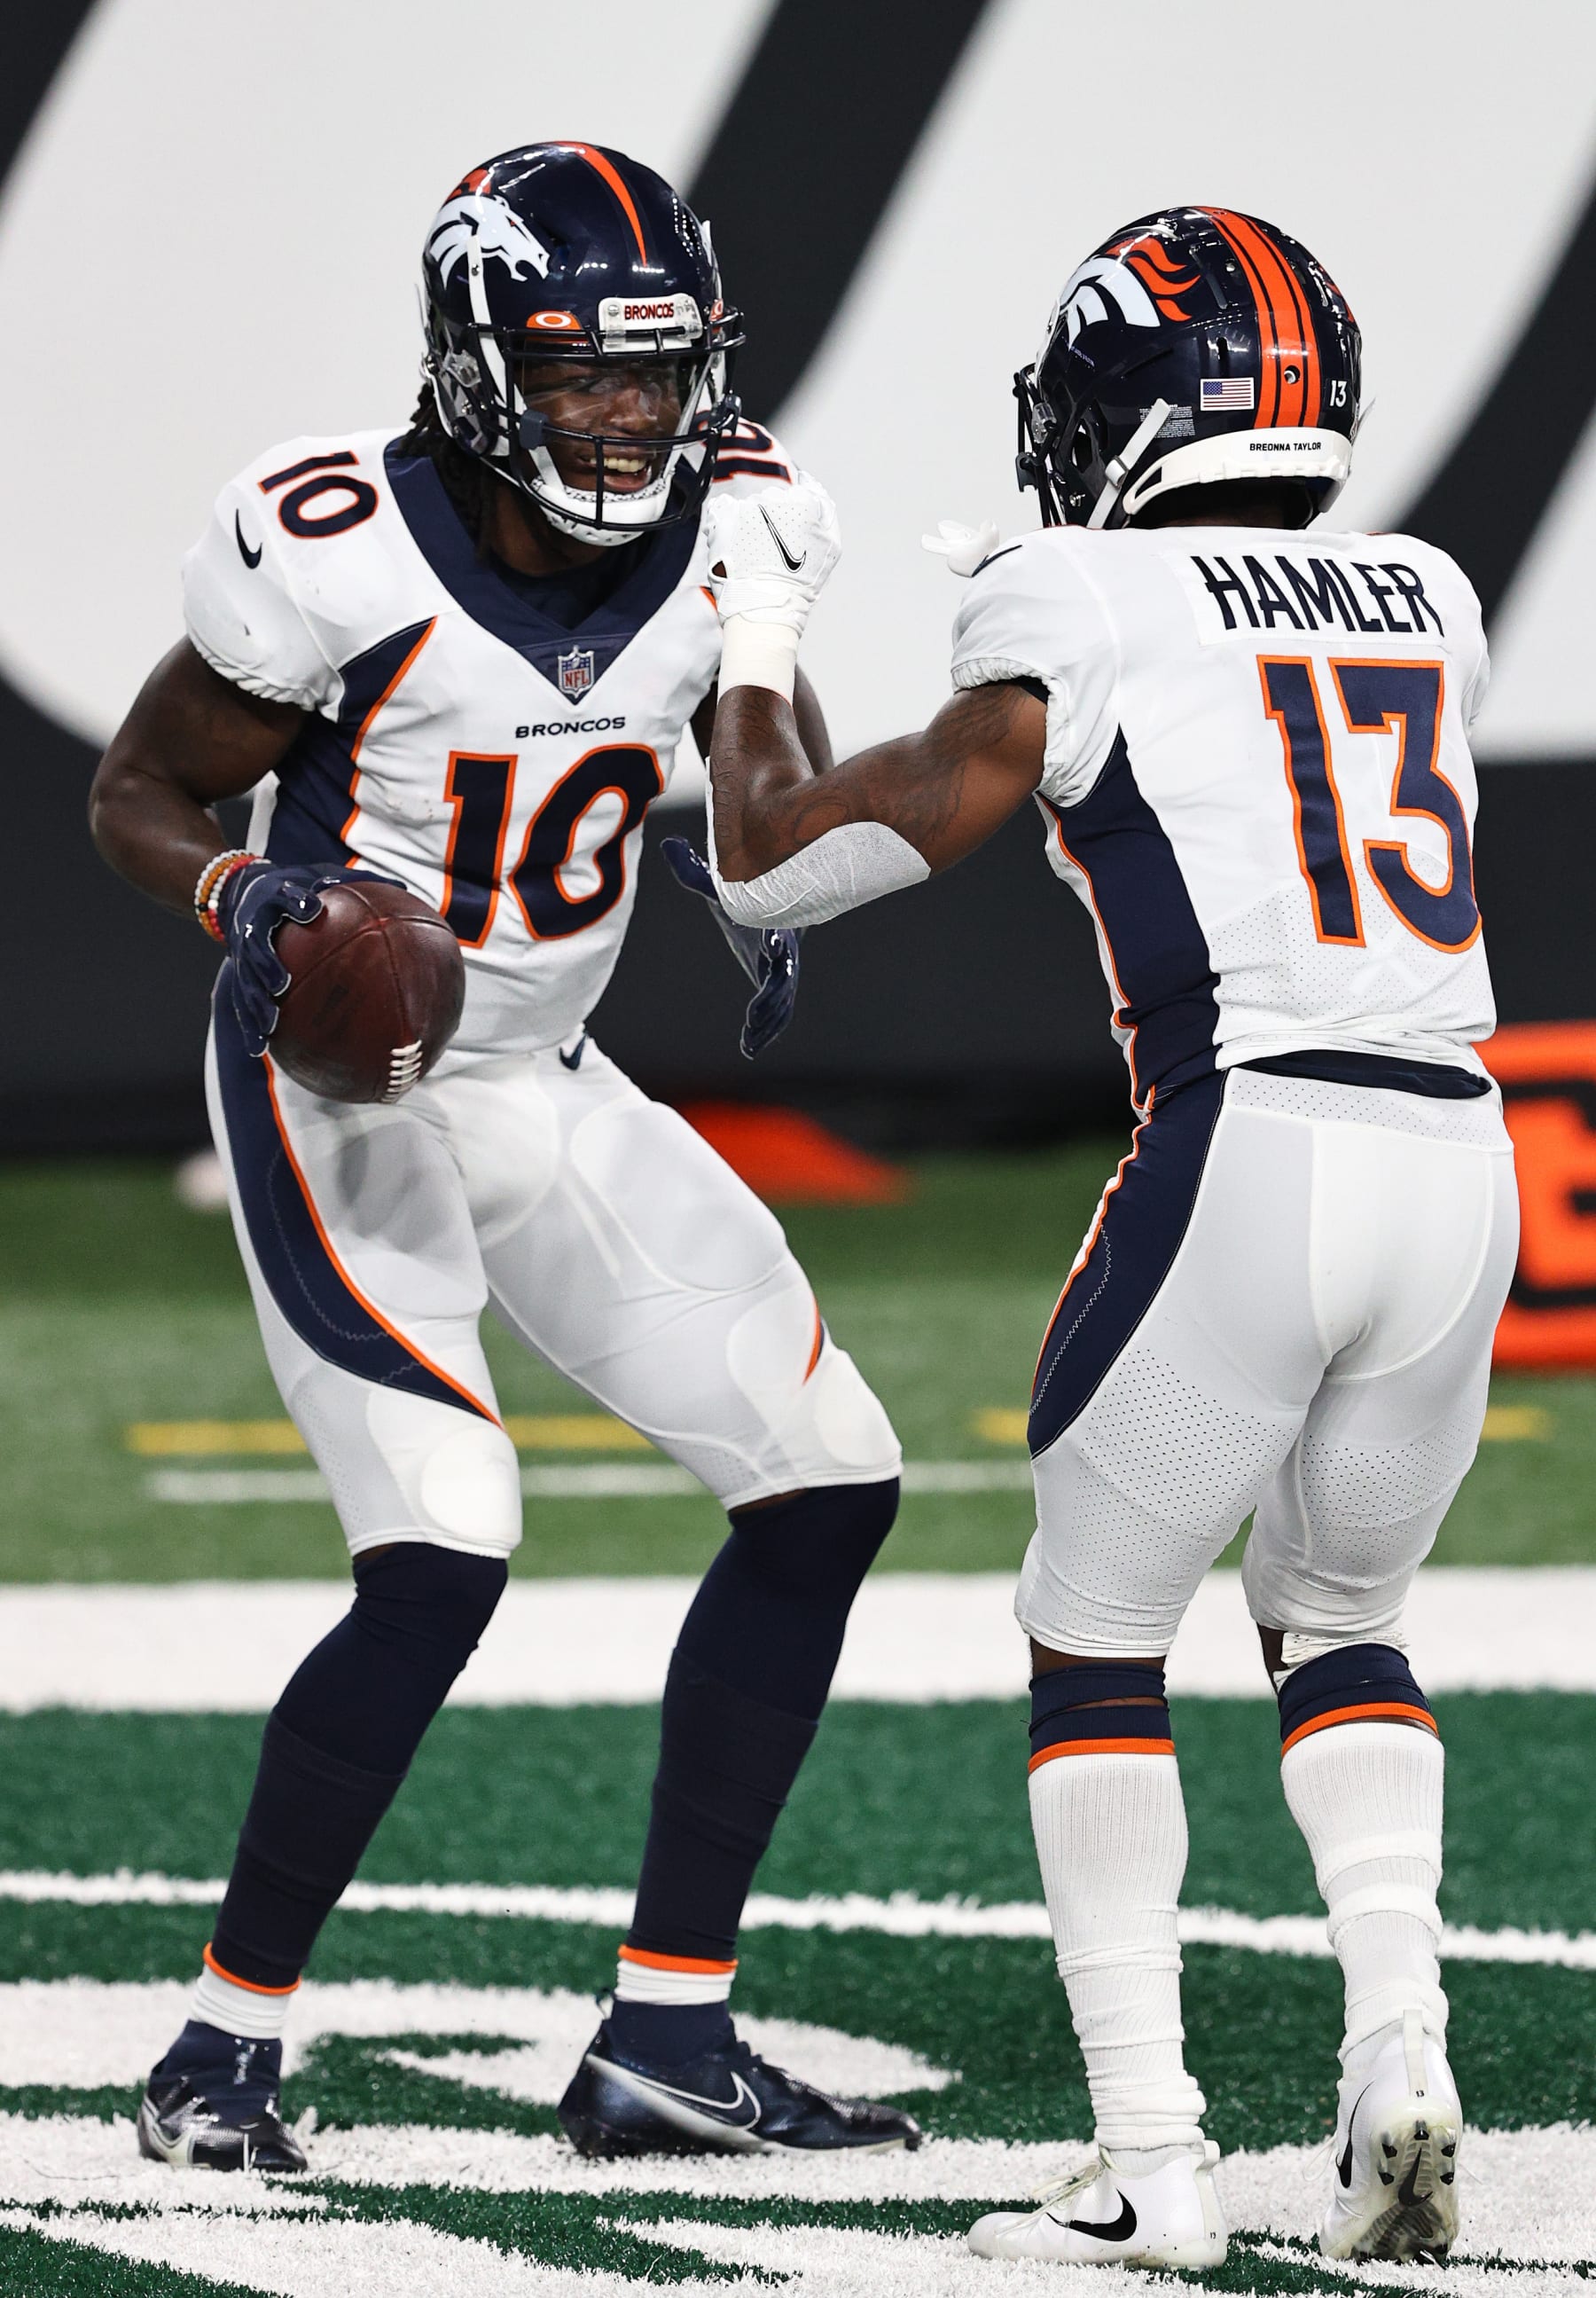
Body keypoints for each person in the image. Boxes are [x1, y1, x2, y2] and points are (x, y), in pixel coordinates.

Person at [692, 206, 1516, 2267]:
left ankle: (1154, 2161)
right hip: (1461, 1157)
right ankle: (1395, 2043)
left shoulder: (1078, 583)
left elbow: (776, 861)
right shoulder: (1431, 587)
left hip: (1248, 1149)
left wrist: (759, 633)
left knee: (1095, 1645)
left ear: (1132, 409)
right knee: (1340, 1628)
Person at [89, 141, 914, 2172]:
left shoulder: (752, 519)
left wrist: (748, 657)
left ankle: (668, 2042)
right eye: (582, 373)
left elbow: (761, 830)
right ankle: (216, 2049)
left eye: (661, 370)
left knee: (828, 1486)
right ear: (475, 364)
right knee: (446, 1549)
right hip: (343, 1082)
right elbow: (139, 787)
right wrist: (245, 906)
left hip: (548, 1065)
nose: (631, 415)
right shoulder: (336, 545)